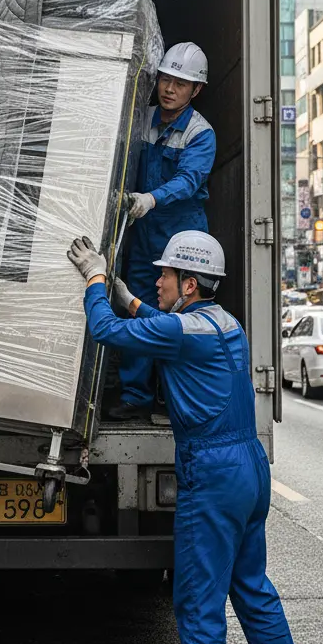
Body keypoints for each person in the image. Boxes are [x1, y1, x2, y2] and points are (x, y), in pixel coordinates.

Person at [68, 231, 313, 644]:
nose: (157, 281)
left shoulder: (184, 332)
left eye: (165, 275)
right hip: (249, 464)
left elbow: (105, 330)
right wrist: (124, 292)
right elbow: (162, 326)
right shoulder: (223, 324)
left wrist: (95, 280)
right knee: (251, 586)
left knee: (198, 596)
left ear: (191, 283)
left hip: (213, 473)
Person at [114, 42, 215, 426]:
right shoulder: (142, 119)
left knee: (182, 319)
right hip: (143, 236)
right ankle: (135, 397)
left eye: (181, 83)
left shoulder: (199, 133)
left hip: (184, 242)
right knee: (138, 311)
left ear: (196, 90)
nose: (169, 88)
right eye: (166, 79)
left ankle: (172, 398)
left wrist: (151, 199)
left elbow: (189, 180)